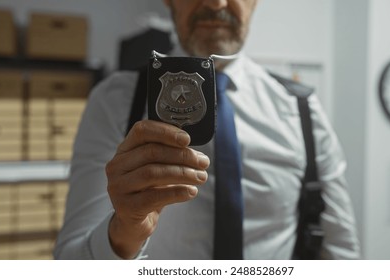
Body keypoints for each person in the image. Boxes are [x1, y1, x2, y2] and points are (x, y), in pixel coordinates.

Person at [54, 0, 361, 260]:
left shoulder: (302, 110)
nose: (216, 3)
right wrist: (124, 233)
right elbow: (71, 260)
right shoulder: (114, 102)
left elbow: (342, 252)